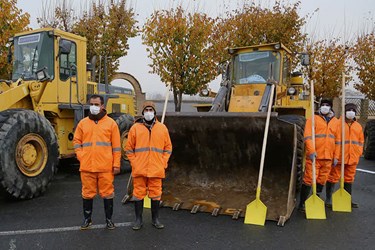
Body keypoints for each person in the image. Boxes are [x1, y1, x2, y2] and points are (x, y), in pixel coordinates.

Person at [73, 94, 121, 230]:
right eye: (91, 104)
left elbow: (117, 147)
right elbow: (77, 142)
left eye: (96, 104)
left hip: (105, 167)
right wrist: (81, 156)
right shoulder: (83, 123)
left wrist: (116, 164)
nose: (93, 107)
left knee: (108, 194)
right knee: (87, 194)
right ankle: (87, 219)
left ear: (102, 106)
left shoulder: (111, 124)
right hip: (87, 166)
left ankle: (109, 220)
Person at [125, 101, 172, 230]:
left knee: (156, 194)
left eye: (151, 110)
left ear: (154, 112)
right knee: (138, 194)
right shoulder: (135, 128)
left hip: (156, 169)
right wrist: (134, 163)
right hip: (139, 169)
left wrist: (163, 162)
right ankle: (138, 220)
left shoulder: (162, 128)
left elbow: (168, 148)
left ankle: (155, 219)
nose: (148, 112)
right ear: (143, 112)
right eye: (146, 110)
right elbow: (128, 149)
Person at [298, 97, 340, 211]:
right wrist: (311, 151)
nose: (325, 107)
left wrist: (336, 157)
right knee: (309, 179)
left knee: (322, 179)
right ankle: (302, 203)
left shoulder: (336, 122)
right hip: (314, 156)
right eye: (323, 105)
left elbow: (338, 141)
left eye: (327, 105)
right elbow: (308, 137)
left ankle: (315, 200)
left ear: (330, 107)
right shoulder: (313, 119)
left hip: (328, 157)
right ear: (320, 106)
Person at [325, 103, 364, 208]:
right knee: (333, 177)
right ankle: (328, 199)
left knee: (349, 178)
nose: (351, 112)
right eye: (348, 110)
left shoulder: (358, 126)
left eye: (353, 110)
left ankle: (348, 199)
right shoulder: (337, 124)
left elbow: (361, 141)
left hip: (352, 158)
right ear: (345, 112)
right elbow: (332, 140)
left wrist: (358, 152)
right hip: (339, 157)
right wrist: (334, 155)